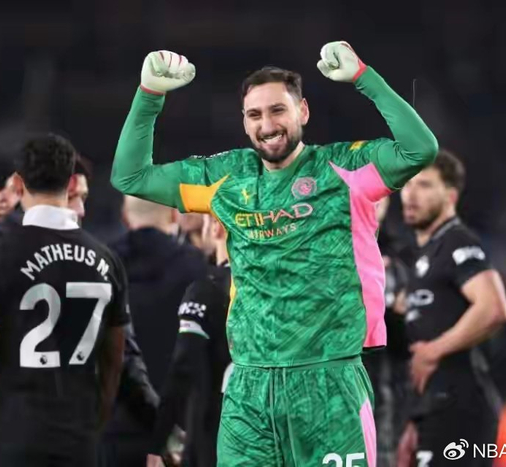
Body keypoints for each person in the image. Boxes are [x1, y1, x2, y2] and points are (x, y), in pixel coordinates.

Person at [111, 41, 438, 465]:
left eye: (278, 110)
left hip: (329, 379)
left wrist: (363, 77)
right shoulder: (226, 178)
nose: (267, 125)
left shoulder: (343, 169)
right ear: (244, 123)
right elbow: (130, 176)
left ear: (303, 111)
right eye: (254, 115)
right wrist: (150, 95)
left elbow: (420, 149)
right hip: (249, 388)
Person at [0, 134, 129, 467]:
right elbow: (114, 359)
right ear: (70, 183)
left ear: (18, 183)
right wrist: (95, 423)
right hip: (79, 442)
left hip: (11, 439)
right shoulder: (108, 260)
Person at [396, 149, 506, 467]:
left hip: (461, 405)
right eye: (408, 185)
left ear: (450, 197)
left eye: (424, 185)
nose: (411, 194)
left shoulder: (458, 243)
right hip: (432, 407)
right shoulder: (422, 255)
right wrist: (414, 418)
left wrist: (434, 351)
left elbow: (493, 307)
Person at [102, 196, 207, 467]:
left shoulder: (99, 267)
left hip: (112, 432)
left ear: (125, 216)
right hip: (178, 435)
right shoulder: (198, 269)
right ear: (174, 215)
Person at [148, 214, 232, 467]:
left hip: (213, 440)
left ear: (217, 227)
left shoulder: (207, 289)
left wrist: (157, 441)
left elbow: (183, 366)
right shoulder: (279, 293)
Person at [361, 196, 411, 467]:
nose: (375, 199)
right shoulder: (323, 251)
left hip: (386, 398)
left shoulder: (405, 258)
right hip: (332, 393)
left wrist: (397, 316)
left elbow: (413, 343)